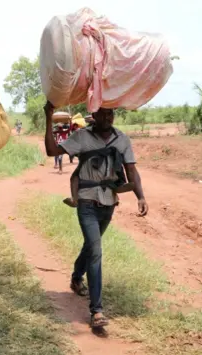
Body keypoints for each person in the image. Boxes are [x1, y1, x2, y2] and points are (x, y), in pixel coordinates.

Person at [44, 102, 149, 329]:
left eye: (110, 113)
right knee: (96, 250)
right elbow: (52, 151)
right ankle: (97, 311)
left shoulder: (122, 139)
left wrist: (140, 196)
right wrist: (48, 117)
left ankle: (75, 277)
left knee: (91, 246)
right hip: (86, 201)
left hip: (109, 202)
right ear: (94, 115)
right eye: (103, 114)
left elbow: (131, 170)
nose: (107, 118)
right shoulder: (82, 137)